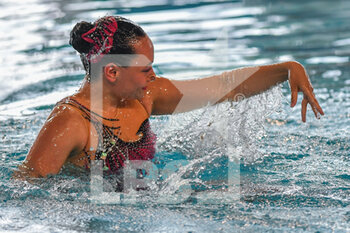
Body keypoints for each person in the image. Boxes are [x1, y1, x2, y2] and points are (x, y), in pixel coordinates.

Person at [14, 16, 324, 179]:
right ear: (112, 72)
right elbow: (26, 191)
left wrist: (287, 69)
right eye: (145, 68)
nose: (153, 74)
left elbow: (222, 88)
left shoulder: (144, 97)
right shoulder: (71, 123)